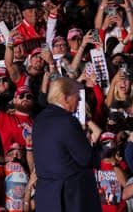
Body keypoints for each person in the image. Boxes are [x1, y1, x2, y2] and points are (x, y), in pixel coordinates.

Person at [33, 77, 103, 212]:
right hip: (70, 197)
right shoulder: (67, 121)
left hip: (46, 197)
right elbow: (86, 158)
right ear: (65, 98)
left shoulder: (39, 119)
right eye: (77, 96)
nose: (80, 100)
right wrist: (100, 149)